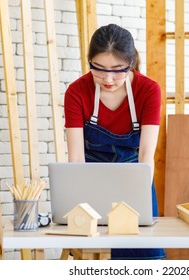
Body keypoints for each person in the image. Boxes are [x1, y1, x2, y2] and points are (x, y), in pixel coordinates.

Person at [64, 23, 166, 260]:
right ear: (89, 61)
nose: (108, 79)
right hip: (90, 179)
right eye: (98, 69)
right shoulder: (76, 92)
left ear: (130, 64)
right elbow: (76, 159)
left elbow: (146, 156)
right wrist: (78, 203)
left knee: (145, 252)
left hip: (136, 178)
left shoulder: (149, 90)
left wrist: (138, 201)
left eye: (118, 69)